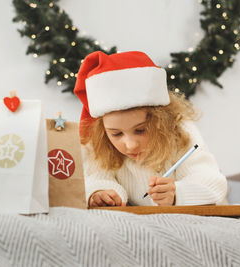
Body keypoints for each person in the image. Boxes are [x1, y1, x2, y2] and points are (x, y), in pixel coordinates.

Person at [74, 50, 227, 207]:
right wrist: (101, 194)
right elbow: (95, 178)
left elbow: (212, 182)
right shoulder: (100, 142)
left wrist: (177, 194)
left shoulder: (180, 131)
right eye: (117, 134)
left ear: (162, 120)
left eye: (140, 130)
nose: (130, 145)